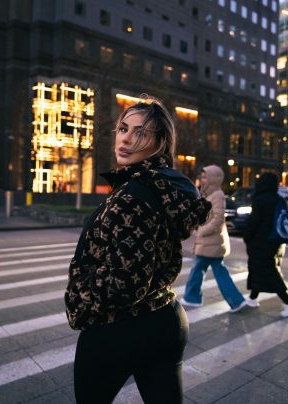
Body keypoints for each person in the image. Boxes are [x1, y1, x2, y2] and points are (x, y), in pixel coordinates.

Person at [65, 97, 211, 404]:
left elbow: (127, 280)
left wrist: (80, 301)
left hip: (118, 329)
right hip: (165, 320)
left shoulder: (133, 194)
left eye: (140, 132)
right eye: (122, 128)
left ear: (160, 142)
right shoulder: (163, 189)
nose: (126, 138)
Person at [181, 165, 247, 312]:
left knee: (200, 269)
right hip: (211, 242)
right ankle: (235, 301)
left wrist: (201, 231)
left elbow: (218, 219)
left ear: (213, 179)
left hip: (211, 241)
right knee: (213, 271)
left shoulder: (217, 195)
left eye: (205, 177)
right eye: (202, 176)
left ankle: (192, 298)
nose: (202, 179)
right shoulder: (209, 194)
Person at [243, 172, 288, 318]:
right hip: (275, 241)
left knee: (267, 271)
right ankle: (252, 298)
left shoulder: (260, 199)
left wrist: (247, 237)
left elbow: (253, 222)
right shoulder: (279, 199)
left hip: (261, 242)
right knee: (259, 268)